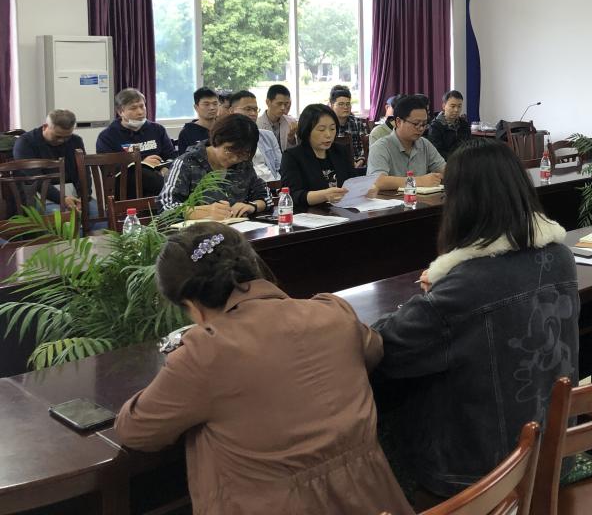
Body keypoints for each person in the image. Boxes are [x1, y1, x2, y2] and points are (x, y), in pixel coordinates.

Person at [114, 223, 412, 515]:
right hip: (372, 500)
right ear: (253, 266)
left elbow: (135, 430)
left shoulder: (205, 353)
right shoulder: (333, 312)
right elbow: (374, 349)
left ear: (191, 305)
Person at [372, 140, 579, 503]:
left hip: (485, 472)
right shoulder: (561, 256)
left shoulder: (469, 283)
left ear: (461, 203)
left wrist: (431, 296)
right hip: (556, 449)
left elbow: (388, 344)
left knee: (385, 401)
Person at [159, 114, 271, 220]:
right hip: (196, 231)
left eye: (242, 154)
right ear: (217, 140)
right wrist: (203, 212)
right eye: (229, 150)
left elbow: (266, 196)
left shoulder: (243, 164)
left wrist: (252, 206)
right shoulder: (187, 163)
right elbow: (165, 207)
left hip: (238, 229)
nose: (234, 159)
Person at [12, 109, 88, 214]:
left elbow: (84, 172)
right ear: (45, 127)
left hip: (72, 194)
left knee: (97, 216)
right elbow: (36, 179)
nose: (62, 140)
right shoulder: (25, 143)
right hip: (39, 196)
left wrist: (84, 196)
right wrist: (62, 198)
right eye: (58, 136)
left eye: (67, 137)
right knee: (63, 220)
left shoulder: (75, 141)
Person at [279, 105, 353, 211]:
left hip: (343, 211)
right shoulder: (292, 156)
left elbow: (353, 181)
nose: (328, 135)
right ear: (307, 131)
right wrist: (324, 195)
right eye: (321, 129)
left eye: (332, 129)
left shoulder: (340, 151)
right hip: (309, 213)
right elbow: (292, 195)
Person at [366, 94, 445, 190]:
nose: (421, 129)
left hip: (421, 199)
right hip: (390, 199)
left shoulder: (424, 144)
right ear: (398, 122)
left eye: (424, 124)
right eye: (416, 124)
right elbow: (377, 181)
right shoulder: (380, 147)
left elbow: (445, 170)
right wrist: (418, 181)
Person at [96, 88, 176, 163]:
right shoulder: (107, 136)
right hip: (128, 173)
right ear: (120, 112)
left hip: (159, 172)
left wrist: (165, 169)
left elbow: (171, 157)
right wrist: (142, 165)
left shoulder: (158, 130)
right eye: (133, 108)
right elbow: (108, 168)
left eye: (142, 106)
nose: (140, 112)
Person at [228, 90, 281, 182]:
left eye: (255, 109)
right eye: (248, 109)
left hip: (274, 184)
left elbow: (280, 166)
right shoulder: (225, 140)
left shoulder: (268, 136)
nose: (253, 113)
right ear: (232, 111)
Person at [329, 85, 368, 168]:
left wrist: (361, 161)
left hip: (359, 165)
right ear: (332, 106)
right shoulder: (328, 125)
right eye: (341, 104)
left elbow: (364, 146)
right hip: (334, 166)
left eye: (348, 104)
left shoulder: (357, 122)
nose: (345, 107)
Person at [426, 89, 471, 160]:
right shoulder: (435, 126)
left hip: (463, 160)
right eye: (453, 106)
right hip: (444, 162)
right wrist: (456, 159)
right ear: (444, 106)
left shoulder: (464, 124)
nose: (456, 110)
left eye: (459, 106)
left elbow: (469, 145)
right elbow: (436, 152)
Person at [176, 87, 220, 155]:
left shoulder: (224, 127)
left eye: (215, 104)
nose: (212, 108)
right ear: (196, 107)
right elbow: (184, 159)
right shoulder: (187, 133)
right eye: (206, 104)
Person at [256, 84, 297, 152]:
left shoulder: (291, 122)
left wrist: (291, 139)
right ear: (268, 102)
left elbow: (295, 149)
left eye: (286, 104)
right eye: (279, 104)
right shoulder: (257, 124)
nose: (283, 108)